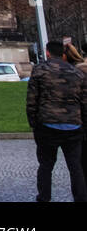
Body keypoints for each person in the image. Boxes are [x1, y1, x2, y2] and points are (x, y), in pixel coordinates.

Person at [27, 40, 87, 202]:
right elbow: (84, 102)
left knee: (46, 165)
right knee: (76, 167)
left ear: (47, 53)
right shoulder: (77, 73)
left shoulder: (40, 70)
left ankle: (44, 197)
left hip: (47, 124)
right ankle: (81, 198)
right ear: (63, 54)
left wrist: (33, 123)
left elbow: (32, 99)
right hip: (73, 125)